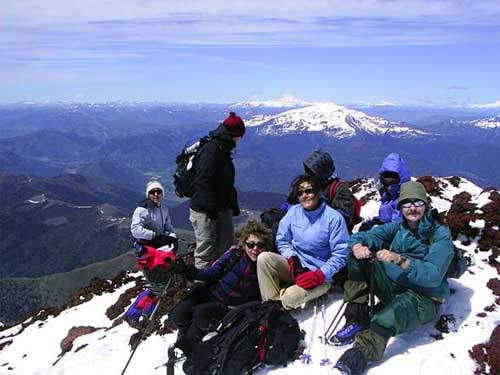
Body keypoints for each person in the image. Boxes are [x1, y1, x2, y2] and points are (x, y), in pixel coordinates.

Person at [331, 181, 454, 375]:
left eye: (418, 202)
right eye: (406, 203)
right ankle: (357, 317)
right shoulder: (399, 228)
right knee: (356, 257)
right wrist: (357, 246)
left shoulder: (440, 234)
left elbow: (433, 276)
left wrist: (400, 260)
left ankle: (357, 358)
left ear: (426, 205)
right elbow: (362, 236)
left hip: (423, 298)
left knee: (389, 315)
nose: (412, 208)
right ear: (400, 207)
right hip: (395, 287)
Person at [168, 221, 272, 370]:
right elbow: (213, 272)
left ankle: (190, 348)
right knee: (179, 313)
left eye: (260, 246)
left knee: (201, 314)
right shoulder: (235, 254)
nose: (255, 249)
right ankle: (185, 338)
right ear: (244, 244)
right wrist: (187, 270)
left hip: (230, 306)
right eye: (250, 244)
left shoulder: (263, 266)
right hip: (212, 293)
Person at [257, 174, 349, 310]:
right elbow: (282, 239)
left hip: (320, 275)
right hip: (296, 268)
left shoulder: (333, 218)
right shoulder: (294, 212)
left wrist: (320, 275)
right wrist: (292, 259)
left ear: (318, 192)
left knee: (290, 298)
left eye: (309, 191)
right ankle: (272, 306)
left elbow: (341, 255)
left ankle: (282, 301)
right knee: (264, 258)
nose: (304, 195)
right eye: (300, 193)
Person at [189, 112, 245, 269]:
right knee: (206, 251)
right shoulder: (212, 150)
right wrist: (211, 210)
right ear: (235, 135)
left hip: (219, 208)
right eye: (240, 136)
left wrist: (230, 204)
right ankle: (201, 288)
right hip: (205, 210)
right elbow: (203, 182)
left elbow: (224, 182)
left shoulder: (223, 148)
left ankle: (218, 283)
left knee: (225, 248)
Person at [125, 179, 178, 328]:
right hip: (146, 252)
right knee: (157, 286)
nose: (156, 194)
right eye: (152, 192)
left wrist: (171, 239)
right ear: (148, 194)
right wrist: (155, 236)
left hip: (160, 252)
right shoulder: (142, 209)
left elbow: (168, 228)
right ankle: (132, 314)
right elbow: (135, 230)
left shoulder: (164, 209)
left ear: (163, 193)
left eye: (158, 191)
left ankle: (147, 313)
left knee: (163, 284)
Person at [302, 149, 357, 228]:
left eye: (311, 173)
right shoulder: (317, 187)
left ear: (322, 172)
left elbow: (341, 219)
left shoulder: (340, 190)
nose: (307, 176)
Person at [359, 153, 411, 231]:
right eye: (385, 182)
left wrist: (377, 228)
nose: (389, 187)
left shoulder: (405, 201)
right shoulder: (387, 198)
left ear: (402, 180)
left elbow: (397, 227)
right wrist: (375, 221)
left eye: (393, 182)